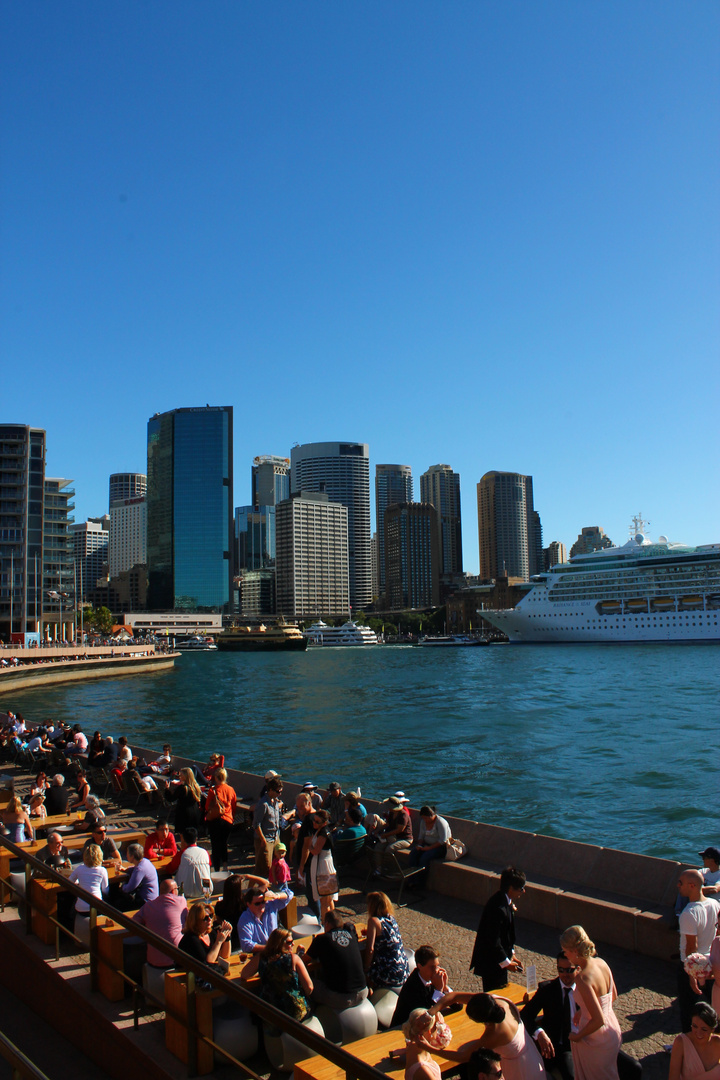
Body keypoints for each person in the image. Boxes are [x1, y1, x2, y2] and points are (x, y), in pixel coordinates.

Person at [521, 952, 642, 1080]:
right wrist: (539, 1033)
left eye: (569, 970)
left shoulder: (586, 986)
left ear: (578, 969)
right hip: (566, 1048)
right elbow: (525, 1015)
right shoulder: (547, 989)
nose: (564, 974)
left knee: (634, 1067)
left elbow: (608, 1002)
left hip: (591, 1041)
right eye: (560, 970)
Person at [558, 925, 621, 1080]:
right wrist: (583, 1010)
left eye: (565, 951)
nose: (565, 955)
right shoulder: (601, 962)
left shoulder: (582, 978)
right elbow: (613, 996)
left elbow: (598, 1020)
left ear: (574, 951)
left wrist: (578, 1036)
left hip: (595, 1038)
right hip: (612, 1030)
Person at [470, 866, 526, 990]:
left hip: (498, 960)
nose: (523, 892)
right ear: (511, 888)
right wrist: (506, 963)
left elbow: (505, 936)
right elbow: (493, 940)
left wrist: (511, 955)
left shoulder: (505, 901)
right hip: (491, 962)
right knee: (495, 993)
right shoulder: (497, 908)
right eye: (521, 889)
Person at [466, 993, 547, 1078]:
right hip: (531, 1057)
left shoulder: (494, 1034)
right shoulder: (502, 1003)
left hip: (519, 1069)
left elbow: (464, 1056)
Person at [677, 870, 720, 1030]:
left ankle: (686, 1045)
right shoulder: (714, 904)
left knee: (688, 1008)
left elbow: (690, 947)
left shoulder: (689, 913)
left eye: (680, 882)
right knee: (709, 1008)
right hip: (710, 963)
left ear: (692, 886)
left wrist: (691, 974)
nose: (678, 885)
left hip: (693, 966)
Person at [392, 944, 470, 1027]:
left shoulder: (433, 979)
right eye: (432, 967)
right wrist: (438, 990)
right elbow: (426, 1016)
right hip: (403, 1029)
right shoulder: (412, 987)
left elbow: (458, 1006)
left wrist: (445, 988)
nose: (436, 970)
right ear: (420, 966)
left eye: (437, 966)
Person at [307, 910, 369, 1009]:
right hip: (363, 991)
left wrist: (300, 951)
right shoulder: (351, 935)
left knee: (307, 981)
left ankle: (314, 1013)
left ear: (326, 923)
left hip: (342, 998)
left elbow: (305, 960)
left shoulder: (321, 939)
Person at [257, 927, 313, 1021]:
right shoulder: (294, 958)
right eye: (290, 942)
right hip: (295, 1013)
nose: (293, 944)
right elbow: (309, 988)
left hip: (271, 1013)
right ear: (280, 943)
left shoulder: (262, 958)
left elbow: (245, 974)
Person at [133, 879, 188, 969]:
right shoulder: (181, 901)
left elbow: (135, 921)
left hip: (153, 962)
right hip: (177, 960)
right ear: (174, 891)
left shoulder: (148, 906)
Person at [364, 890, 410, 990]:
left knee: (365, 972)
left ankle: (370, 994)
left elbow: (370, 949)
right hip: (403, 970)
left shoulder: (374, 921)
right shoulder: (391, 918)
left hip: (391, 973)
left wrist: (366, 968)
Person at [388, 1008, 451, 1080]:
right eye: (436, 1027)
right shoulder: (423, 1070)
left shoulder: (414, 1046)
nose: (437, 1030)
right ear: (429, 1032)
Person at [214, 872, 270, 950]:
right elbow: (266, 883)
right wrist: (248, 876)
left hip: (227, 944)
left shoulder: (219, 906)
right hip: (244, 940)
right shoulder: (244, 903)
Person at [299, 808, 338, 920]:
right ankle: (333, 921)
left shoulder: (323, 834)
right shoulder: (320, 830)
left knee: (325, 900)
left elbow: (315, 851)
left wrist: (309, 844)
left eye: (317, 822)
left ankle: (326, 923)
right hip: (323, 864)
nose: (314, 823)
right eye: (314, 820)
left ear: (324, 823)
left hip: (324, 868)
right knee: (328, 899)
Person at [237, 884, 294, 954]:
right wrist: (270, 948)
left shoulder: (270, 906)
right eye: (257, 903)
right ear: (248, 904)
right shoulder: (245, 919)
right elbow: (246, 945)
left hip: (276, 951)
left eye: (263, 902)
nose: (261, 905)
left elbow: (290, 894)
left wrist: (276, 896)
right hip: (259, 955)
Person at [668, 1002, 720, 1079]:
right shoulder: (681, 1042)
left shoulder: (718, 1042)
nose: (698, 1033)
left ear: (712, 1029)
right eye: (695, 1026)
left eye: (704, 1029)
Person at [69, 844, 110, 939]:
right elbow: (106, 890)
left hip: (81, 908)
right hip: (96, 906)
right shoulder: (102, 870)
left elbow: (70, 881)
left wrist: (79, 882)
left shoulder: (79, 868)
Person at [179, 901, 232, 968]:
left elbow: (224, 956)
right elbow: (207, 963)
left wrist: (227, 936)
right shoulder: (191, 939)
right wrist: (219, 942)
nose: (210, 919)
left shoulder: (211, 933)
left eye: (211, 916)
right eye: (205, 918)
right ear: (196, 921)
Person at [205, 767, 237, 872]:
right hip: (228, 820)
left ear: (216, 777)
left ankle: (217, 869)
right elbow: (234, 806)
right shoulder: (231, 789)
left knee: (215, 844)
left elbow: (206, 807)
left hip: (215, 820)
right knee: (223, 843)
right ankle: (225, 865)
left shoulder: (212, 790)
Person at [370, 796, 413, 873]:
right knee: (378, 847)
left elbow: (399, 830)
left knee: (390, 848)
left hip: (404, 839)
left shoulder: (403, 815)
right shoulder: (391, 813)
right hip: (392, 837)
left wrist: (385, 835)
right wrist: (377, 830)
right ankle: (378, 868)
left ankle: (388, 867)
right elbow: (387, 824)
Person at [408, 806, 450, 882]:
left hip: (440, 847)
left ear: (432, 815)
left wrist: (429, 848)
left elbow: (443, 840)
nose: (425, 820)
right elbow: (421, 836)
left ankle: (420, 881)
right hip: (426, 844)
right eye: (423, 818)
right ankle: (411, 879)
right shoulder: (423, 822)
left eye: (427, 818)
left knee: (424, 858)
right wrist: (419, 845)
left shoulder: (440, 822)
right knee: (413, 854)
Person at [253, 776, 284, 877]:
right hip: (265, 839)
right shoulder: (263, 804)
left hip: (275, 837)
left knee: (276, 866)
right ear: (270, 790)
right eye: (278, 792)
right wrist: (263, 840)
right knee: (263, 869)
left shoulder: (275, 801)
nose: (279, 794)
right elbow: (256, 824)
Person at [174, 828, 213, 899]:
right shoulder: (204, 852)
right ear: (196, 839)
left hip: (186, 893)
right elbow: (209, 866)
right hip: (205, 891)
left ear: (183, 840)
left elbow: (170, 869)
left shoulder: (182, 854)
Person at [119, 843, 159, 908]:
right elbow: (135, 869)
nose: (126, 855)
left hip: (146, 902)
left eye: (127, 853)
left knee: (119, 903)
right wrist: (126, 870)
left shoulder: (140, 869)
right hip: (153, 899)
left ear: (132, 856)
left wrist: (122, 886)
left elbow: (129, 888)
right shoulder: (145, 861)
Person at [167, 767, 203, 835]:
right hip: (195, 813)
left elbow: (171, 798)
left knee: (183, 834)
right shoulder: (196, 786)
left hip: (184, 814)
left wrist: (167, 790)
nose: (179, 777)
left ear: (185, 776)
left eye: (181, 775)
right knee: (192, 834)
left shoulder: (183, 788)